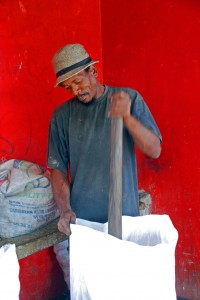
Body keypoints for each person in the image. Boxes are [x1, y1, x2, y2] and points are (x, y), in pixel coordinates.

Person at [47, 43, 162, 237]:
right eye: (68, 87)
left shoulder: (128, 99)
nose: (75, 91)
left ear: (93, 70)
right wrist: (65, 209)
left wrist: (127, 118)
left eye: (78, 82)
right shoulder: (61, 116)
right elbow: (57, 169)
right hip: (83, 223)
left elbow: (154, 150)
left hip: (124, 218)